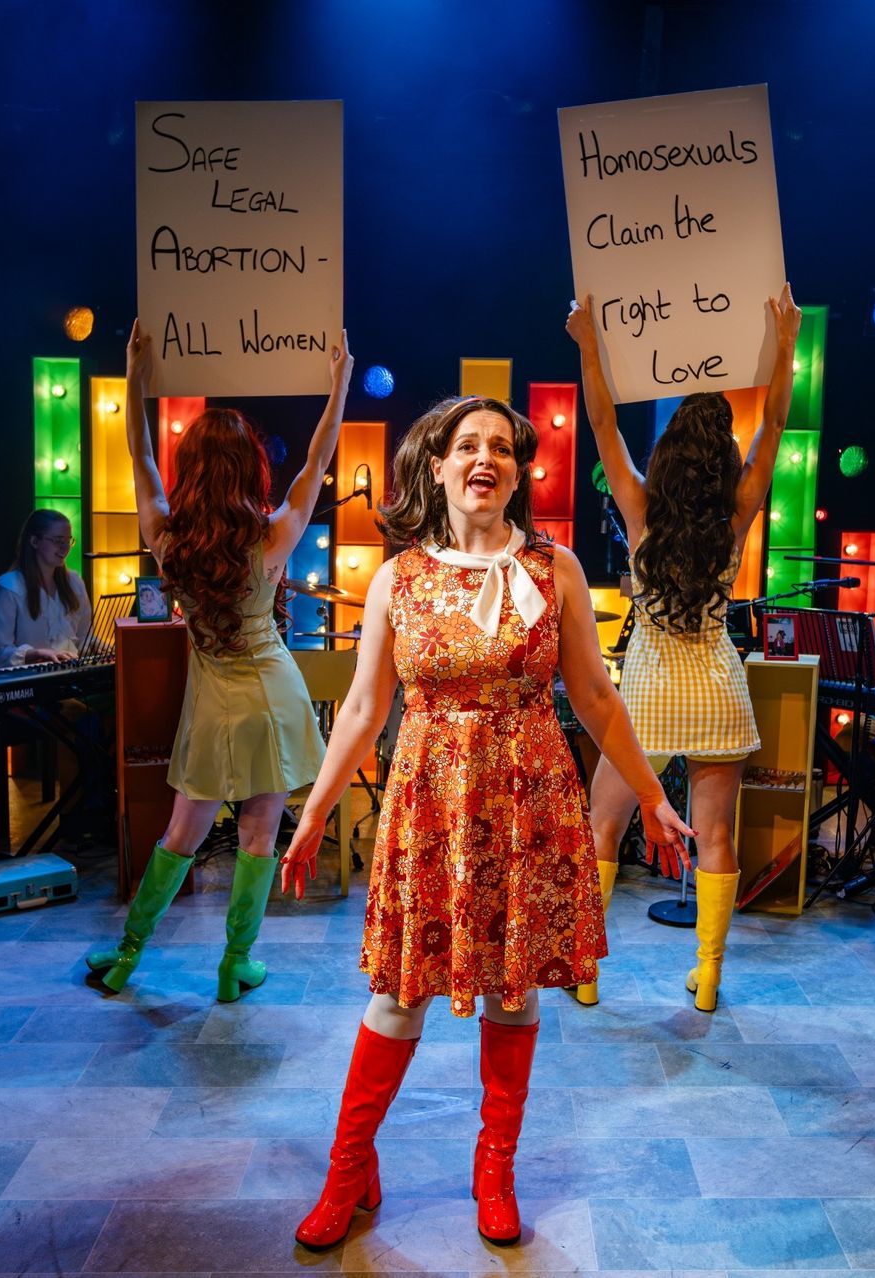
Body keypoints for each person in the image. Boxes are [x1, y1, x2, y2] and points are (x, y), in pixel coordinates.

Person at [277, 395, 692, 1251]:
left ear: (516, 471)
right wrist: (314, 813)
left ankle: (495, 1167)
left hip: (527, 806)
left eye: (501, 448)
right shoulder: (398, 578)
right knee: (398, 994)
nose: (484, 459)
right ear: (437, 467)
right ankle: (348, 1169)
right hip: (430, 805)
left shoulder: (555, 568)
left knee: (514, 989)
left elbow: (596, 696)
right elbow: (362, 710)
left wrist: (652, 795)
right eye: (467, 446)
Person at [82, 319, 353, 995]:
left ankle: (128, 953)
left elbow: (141, 459)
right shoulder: (273, 535)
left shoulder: (168, 538)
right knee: (260, 835)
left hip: (212, 704)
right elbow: (316, 462)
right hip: (272, 695)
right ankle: (236, 964)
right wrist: (339, 384)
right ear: (250, 468)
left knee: (182, 831)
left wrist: (136, 378)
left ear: (193, 470)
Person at [563, 284, 800, 1010]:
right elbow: (776, 424)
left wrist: (590, 345)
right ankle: (709, 975)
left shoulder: (639, 506)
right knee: (716, 835)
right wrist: (786, 344)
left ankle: (587, 973)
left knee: (604, 825)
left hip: (646, 690)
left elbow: (602, 421)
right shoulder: (738, 511)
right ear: (723, 456)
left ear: (667, 453)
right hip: (717, 684)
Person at [0, 510, 92, 665]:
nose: (65, 548)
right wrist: (34, 654)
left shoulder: (75, 582)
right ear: (35, 541)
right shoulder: (9, 588)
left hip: (70, 674)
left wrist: (93, 644)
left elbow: (83, 636)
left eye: (68, 541)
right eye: (58, 541)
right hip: (28, 678)